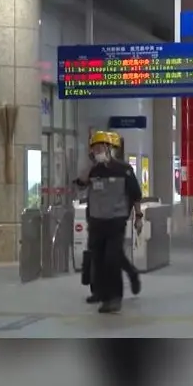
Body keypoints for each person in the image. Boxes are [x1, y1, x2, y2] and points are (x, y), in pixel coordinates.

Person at [74, 131, 144, 313]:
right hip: (96, 221)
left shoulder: (124, 169)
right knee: (98, 259)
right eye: (94, 148)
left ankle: (115, 298)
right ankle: (102, 295)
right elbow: (80, 183)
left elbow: (136, 195)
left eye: (99, 147)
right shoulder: (93, 170)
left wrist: (138, 217)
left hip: (116, 221)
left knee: (112, 259)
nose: (96, 151)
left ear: (108, 148)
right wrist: (90, 168)